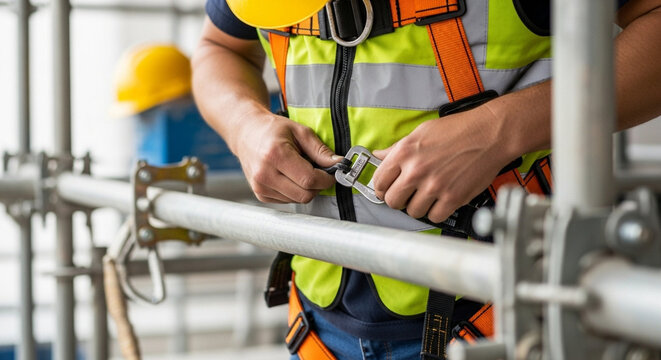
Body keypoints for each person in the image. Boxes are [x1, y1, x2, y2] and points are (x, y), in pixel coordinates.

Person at [192, 0, 661, 358]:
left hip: (507, 321)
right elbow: (219, 47)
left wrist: (499, 129)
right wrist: (244, 126)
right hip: (318, 324)